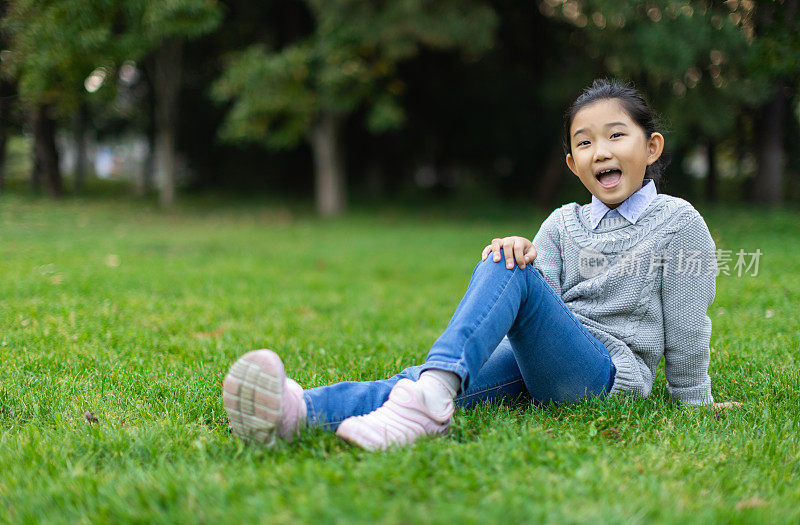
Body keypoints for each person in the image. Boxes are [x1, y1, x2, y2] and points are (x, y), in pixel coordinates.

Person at [222, 79, 735, 451]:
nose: (600, 150)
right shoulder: (562, 223)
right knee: (441, 364)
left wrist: (693, 400)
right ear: (572, 164)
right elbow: (537, 308)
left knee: (508, 265)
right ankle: (300, 412)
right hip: (540, 366)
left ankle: (427, 404)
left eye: (616, 135)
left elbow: (688, 324)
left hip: (604, 377)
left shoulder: (677, 223)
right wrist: (518, 252)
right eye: (584, 142)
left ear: (651, 147)